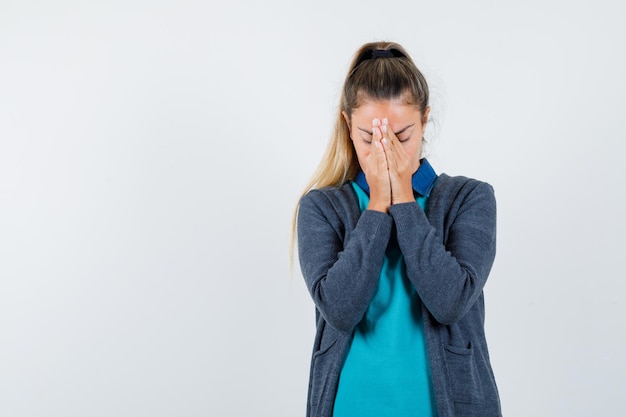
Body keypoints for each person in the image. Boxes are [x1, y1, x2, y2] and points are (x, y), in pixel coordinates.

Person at [292, 41, 502, 417]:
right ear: (347, 126)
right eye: (369, 138)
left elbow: (450, 302)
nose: (385, 151)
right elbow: (339, 310)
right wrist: (376, 207)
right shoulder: (321, 208)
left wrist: (404, 200)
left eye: (401, 137)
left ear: (424, 120)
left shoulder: (469, 198)